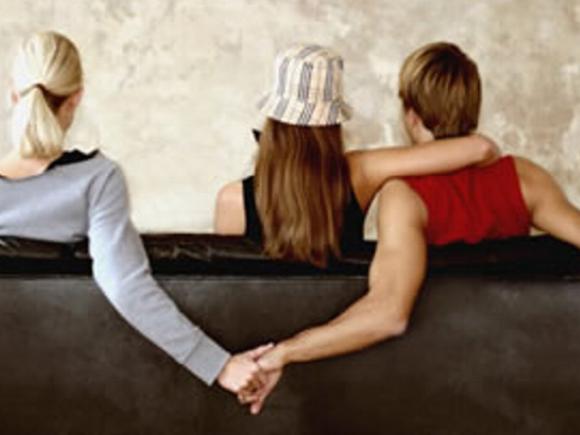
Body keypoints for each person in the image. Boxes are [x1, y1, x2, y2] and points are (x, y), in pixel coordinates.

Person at [223, 42, 580, 414]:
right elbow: (482, 151)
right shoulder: (525, 177)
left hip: (420, 387)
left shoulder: (404, 197)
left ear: (410, 114)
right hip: (527, 381)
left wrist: (282, 352)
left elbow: (388, 313)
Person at [0, 31, 272, 395]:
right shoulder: (97, 177)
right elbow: (124, 285)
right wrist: (218, 365)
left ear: (12, 94)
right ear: (76, 97)